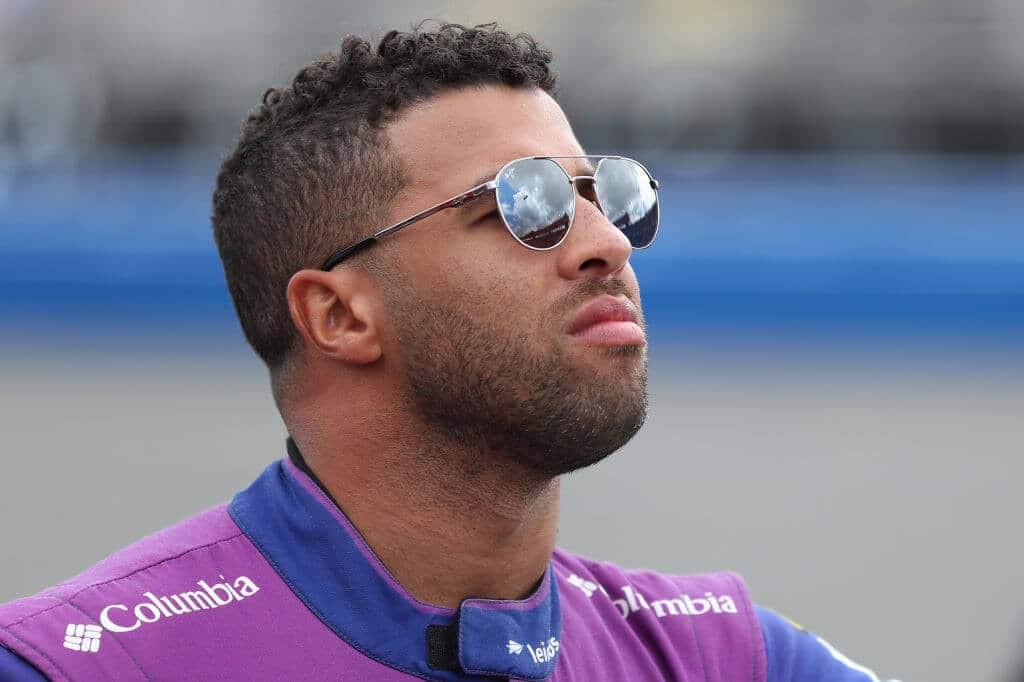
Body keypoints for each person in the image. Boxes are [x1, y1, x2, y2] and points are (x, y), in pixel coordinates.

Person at [0, 22, 894, 681]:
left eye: (606, 194)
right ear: (341, 315)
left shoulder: (730, 659)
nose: (606, 244)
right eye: (525, 205)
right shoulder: (80, 665)